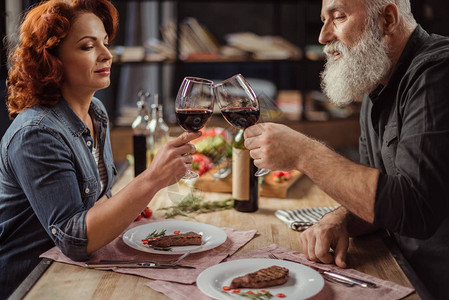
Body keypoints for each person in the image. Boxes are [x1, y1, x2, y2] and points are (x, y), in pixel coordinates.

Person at [244, 0, 449, 298]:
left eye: (338, 17)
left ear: (388, 19)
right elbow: (380, 196)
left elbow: (414, 209)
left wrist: (305, 153)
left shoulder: (437, 73)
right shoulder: (377, 84)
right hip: (399, 267)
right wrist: (340, 217)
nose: (323, 36)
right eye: (324, 20)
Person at [0, 0, 199, 298]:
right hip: (32, 282)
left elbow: (97, 204)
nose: (106, 54)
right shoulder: (36, 133)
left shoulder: (96, 112)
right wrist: (153, 178)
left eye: (105, 42)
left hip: (75, 270)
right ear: (51, 59)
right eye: (87, 46)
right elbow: (75, 239)